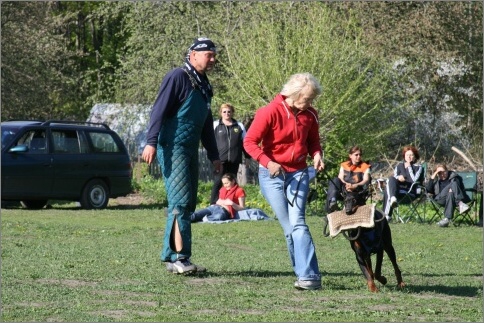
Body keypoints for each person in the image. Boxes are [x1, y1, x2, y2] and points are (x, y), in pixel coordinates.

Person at [141, 37, 222, 275]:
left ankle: (171, 255)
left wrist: (214, 154)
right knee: (179, 201)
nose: (213, 59)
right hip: (172, 146)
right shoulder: (178, 77)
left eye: (214, 55)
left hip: (189, 148)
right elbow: (159, 110)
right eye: (209, 54)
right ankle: (180, 257)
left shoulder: (205, 85)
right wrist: (150, 142)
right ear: (193, 55)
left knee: (187, 202)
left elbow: (206, 125)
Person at [243, 73, 325, 290]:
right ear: (294, 94)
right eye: (307, 98)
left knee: (298, 223)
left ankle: (309, 276)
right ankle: (301, 271)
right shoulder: (269, 112)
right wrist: (267, 162)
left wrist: (317, 155)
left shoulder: (310, 115)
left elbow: (313, 141)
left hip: (299, 173)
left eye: (311, 100)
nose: (310, 103)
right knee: (289, 228)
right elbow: (249, 142)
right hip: (272, 175)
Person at [210, 103, 247, 204]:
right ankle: (214, 203)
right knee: (218, 182)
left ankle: (232, 203)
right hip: (220, 160)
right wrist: (213, 157)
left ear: (232, 112)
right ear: (221, 113)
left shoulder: (239, 126)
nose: (227, 113)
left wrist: (248, 157)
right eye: (224, 112)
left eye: (229, 111)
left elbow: (245, 142)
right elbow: (209, 141)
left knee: (232, 182)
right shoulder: (215, 125)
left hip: (234, 160)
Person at [383, 145, 424, 222]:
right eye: (407, 155)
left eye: (411, 155)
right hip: (398, 190)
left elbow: (414, 180)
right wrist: (398, 178)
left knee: (387, 191)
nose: (409, 157)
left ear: (415, 157)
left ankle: (386, 216)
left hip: (410, 191)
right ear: (404, 156)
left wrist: (409, 168)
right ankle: (392, 200)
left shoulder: (418, 167)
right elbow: (395, 177)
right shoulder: (399, 165)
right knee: (391, 179)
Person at [325, 145, 371, 213]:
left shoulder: (365, 167)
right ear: (350, 156)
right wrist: (346, 184)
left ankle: (329, 211)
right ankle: (333, 201)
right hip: (344, 190)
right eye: (356, 155)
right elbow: (340, 177)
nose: (359, 157)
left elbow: (366, 180)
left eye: (360, 155)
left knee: (331, 191)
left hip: (358, 191)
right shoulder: (344, 165)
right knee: (335, 180)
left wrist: (356, 185)